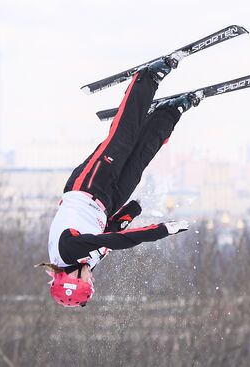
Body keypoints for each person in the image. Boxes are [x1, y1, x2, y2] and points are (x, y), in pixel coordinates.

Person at [36, 54, 201, 307]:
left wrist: (162, 230)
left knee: (121, 140)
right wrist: (130, 213)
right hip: (107, 204)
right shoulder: (86, 263)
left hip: (86, 188)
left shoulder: (67, 252)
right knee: (138, 161)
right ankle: (170, 113)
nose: (92, 279)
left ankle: (147, 78)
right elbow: (111, 232)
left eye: (88, 282)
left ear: (72, 277)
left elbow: (114, 241)